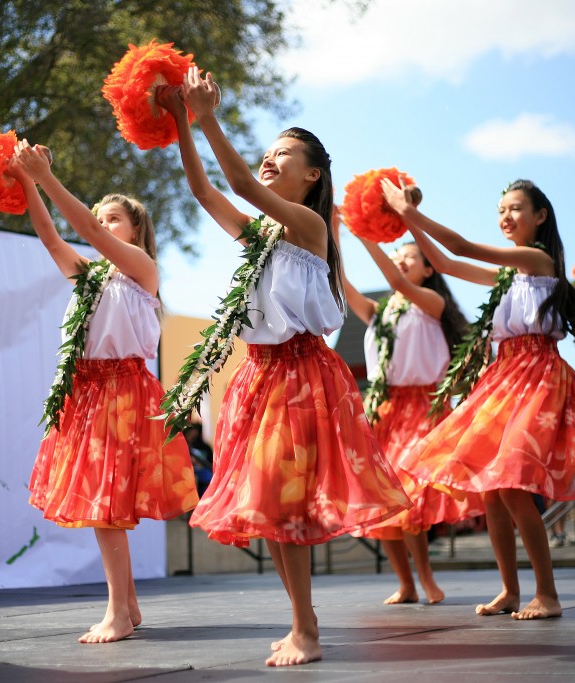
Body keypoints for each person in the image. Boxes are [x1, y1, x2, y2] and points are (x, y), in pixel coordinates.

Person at [158, 69, 410, 666]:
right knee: (268, 506)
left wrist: (206, 115)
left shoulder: (309, 226)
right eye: (268, 153)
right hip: (258, 375)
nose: (270, 160)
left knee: (284, 503)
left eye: (284, 154)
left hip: (299, 375)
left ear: (313, 174)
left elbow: (240, 182)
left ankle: (307, 628)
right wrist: (180, 123)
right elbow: (206, 191)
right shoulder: (264, 235)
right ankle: (304, 620)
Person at [380, 177, 575, 619]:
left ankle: (547, 593)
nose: (505, 216)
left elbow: (462, 247)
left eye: (516, 208)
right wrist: (407, 223)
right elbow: (445, 262)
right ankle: (509, 590)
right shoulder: (507, 276)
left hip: (537, 374)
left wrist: (408, 212)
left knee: (514, 485)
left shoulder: (538, 259)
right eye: (501, 209)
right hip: (503, 376)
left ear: (540, 216)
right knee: (492, 491)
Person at [8, 141, 198, 644]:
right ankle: (128, 605)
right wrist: (27, 181)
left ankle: (116, 611)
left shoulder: (140, 271)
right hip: (89, 393)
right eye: (101, 218)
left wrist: (46, 174)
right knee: (102, 501)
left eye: (113, 218)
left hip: (124, 392)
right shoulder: (90, 279)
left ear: (135, 231)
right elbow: (53, 238)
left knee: (105, 503)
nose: (101, 224)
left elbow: (85, 232)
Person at [334, 204, 483, 605]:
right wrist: (335, 232)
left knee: (410, 496)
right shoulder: (381, 314)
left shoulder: (431, 305)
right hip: (386, 409)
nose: (400, 261)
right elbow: (343, 285)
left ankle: (428, 579)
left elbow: (397, 283)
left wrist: (362, 231)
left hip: (425, 408)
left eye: (408, 256)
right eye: (396, 256)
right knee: (382, 498)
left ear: (429, 269)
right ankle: (405, 582)